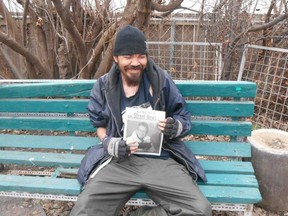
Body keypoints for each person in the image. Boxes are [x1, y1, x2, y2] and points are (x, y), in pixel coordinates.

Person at [71, 25, 212, 216]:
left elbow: (183, 117)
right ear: (116, 59)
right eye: (128, 57)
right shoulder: (104, 86)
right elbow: (99, 125)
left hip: (160, 160)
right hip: (119, 162)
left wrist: (174, 126)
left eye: (140, 56)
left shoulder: (161, 80)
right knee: (83, 211)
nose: (135, 62)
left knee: (200, 211)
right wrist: (109, 142)